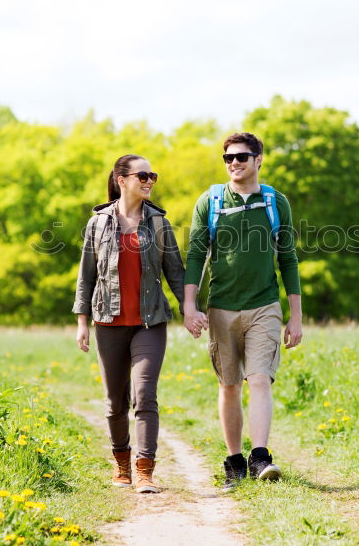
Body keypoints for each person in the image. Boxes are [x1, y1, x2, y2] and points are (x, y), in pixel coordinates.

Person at [183, 132, 303, 489]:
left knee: (260, 379)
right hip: (221, 307)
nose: (234, 163)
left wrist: (296, 316)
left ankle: (261, 457)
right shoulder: (210, 201)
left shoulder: (274, 202)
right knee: (230, 386)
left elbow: (288, 259)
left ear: (259, 159)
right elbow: (194, 256)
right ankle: (234, 461)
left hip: (265, 305)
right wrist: (189, 306)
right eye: (228, 158)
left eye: (241, 157)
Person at [72, 154, 192, 494]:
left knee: (145, 394)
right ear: (122, 180)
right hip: (107, 322)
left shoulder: (159, 224)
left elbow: (176, 273)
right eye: (143, 175)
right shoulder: (97, 224)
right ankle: (121, 463)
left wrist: (190, 310)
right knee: (114, 402)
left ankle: (144, 471)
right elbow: (86, 277)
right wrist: (83, 323)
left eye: (153, 175)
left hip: (149, 322)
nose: (150, 180)